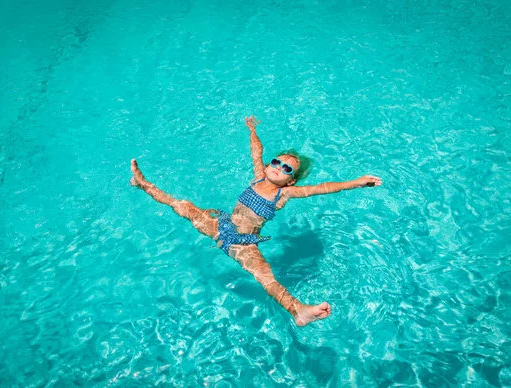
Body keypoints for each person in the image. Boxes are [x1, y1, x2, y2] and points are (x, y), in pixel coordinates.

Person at [129, 116, 382, 326]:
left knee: (266, 277)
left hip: (244, 244)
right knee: (181, 204)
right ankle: (143, 184)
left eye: (286, 169)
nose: (278, 167)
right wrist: (252, 130)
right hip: (220, 227)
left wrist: (356, 182)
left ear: (291, 180)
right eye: (277, 162)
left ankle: (298, 311)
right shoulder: (259, 176)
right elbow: (256, 152)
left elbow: (324, 187)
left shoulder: (285, 193)